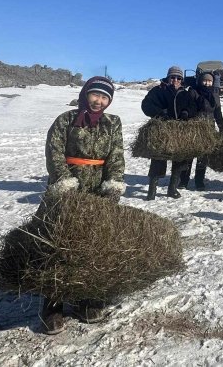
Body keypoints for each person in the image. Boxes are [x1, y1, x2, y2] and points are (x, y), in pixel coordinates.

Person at [41, 76, 125, 335]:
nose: (99, 101)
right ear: (85, 94)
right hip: (65, 188)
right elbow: (53, 151)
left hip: (97, 191)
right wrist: (64, 182)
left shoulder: (113, 123)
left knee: (92, 244)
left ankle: (86, 297)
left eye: (105, 97)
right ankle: (52, 303)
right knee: (57, 243)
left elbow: (116, 157)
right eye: (95, 95)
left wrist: (113, 185)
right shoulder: (66, 120)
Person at [141, 66, 195, 200]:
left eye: (178, 78)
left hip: (180, 130)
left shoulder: (185, 92)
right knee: (158, 158)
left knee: (179, 158)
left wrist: (187, 112)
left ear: (181, 80)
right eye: (173, 77)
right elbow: (146, 105)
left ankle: (172, 189)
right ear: (168, 77)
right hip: (161, 129)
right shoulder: (159, 90)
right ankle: (151, 190)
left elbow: (193, 106)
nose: (175, 80)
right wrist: (159, 112)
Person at [183, 72, 223, 190]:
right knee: (189, 155)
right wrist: (186, 114)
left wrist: (221, 126)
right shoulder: (193, 92)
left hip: (208, 129)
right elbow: (189, 107)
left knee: (203, 157)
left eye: (210, 81)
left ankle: (199, 181)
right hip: (194, 129)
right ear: (200, 81)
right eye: (205, 81)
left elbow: (217, 112)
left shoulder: (215, 95)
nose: (207, 83)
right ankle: (183, 181)